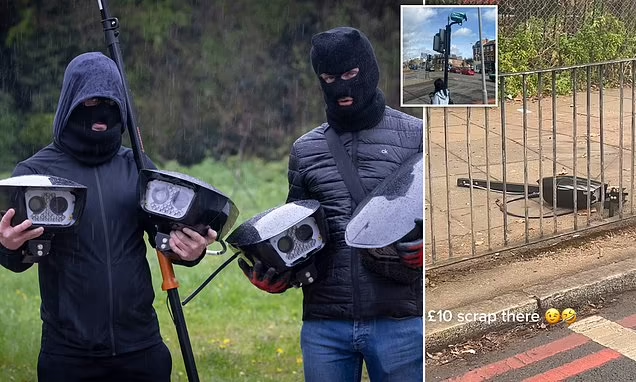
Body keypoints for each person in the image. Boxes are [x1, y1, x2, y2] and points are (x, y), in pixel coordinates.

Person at [0, 52, 217, 382]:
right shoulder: (35, 174)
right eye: (90, 102)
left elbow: (167, 237)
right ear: (71, 102)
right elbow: (16, 257)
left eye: (111, 103)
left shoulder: (139, 167)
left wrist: (192, 250)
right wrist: (8, 245)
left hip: (141, 347)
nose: (101, 112)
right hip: (68, 353)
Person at [238, 27, 423, 381]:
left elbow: (435, 216)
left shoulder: (415, 135)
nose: (341, 86)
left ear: (368, 69)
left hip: (400, 320)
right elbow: (297, 237)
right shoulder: (305, 150)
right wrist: (278, 273)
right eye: (329, 78)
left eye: (350, 74)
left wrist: (427, 249)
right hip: (325, 327)